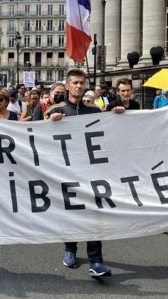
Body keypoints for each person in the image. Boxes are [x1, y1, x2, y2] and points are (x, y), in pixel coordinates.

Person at [37, 69, 113, 277]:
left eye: (82, 83)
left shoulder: (94, 112)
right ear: (68, 86)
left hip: (90, 171)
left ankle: (96, 260)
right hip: (66, 171)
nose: (79, 86)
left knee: (94, 213)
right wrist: (50, 121)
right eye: (75, 83)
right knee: (71, 212)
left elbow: (107, 134)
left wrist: (119, 117)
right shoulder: (54, 110)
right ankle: (70, 248)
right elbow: (39, 136)